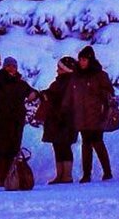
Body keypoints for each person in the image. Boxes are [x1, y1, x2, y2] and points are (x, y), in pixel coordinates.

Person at [0, 56, 39, 186]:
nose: (11, 68)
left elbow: (32, 93)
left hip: (16, 122)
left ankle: (11, 178)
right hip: (0, 121)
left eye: (13, 66)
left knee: (13, 150)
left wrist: (34, 95)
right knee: (0, 150)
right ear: (4, 67)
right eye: (8, 65)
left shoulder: (21, 83)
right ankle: (0, 180)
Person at [65, 45, 114, 182]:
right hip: (81, 116)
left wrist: (98, 94)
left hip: (97, 114)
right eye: (80, 59)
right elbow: (70, 95)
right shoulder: (76, 76)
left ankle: (107, 171)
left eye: (84, 59)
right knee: (86, 144)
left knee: (97, 143)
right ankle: (86, 174)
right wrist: (66, 109)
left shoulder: (100, 75)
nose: (81, 62)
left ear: (90, 60)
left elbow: (109, 92)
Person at [41, 55, 79, 184]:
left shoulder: (70, 83)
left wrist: (49, 98)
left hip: (64, 119)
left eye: (60, 68)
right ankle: (61, 175)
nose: (57, 70)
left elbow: (64, 101)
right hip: (58, 119)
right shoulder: (60, 82)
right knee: (58, 146)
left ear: (66, 69)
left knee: (64, 146)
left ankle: (66, 175)